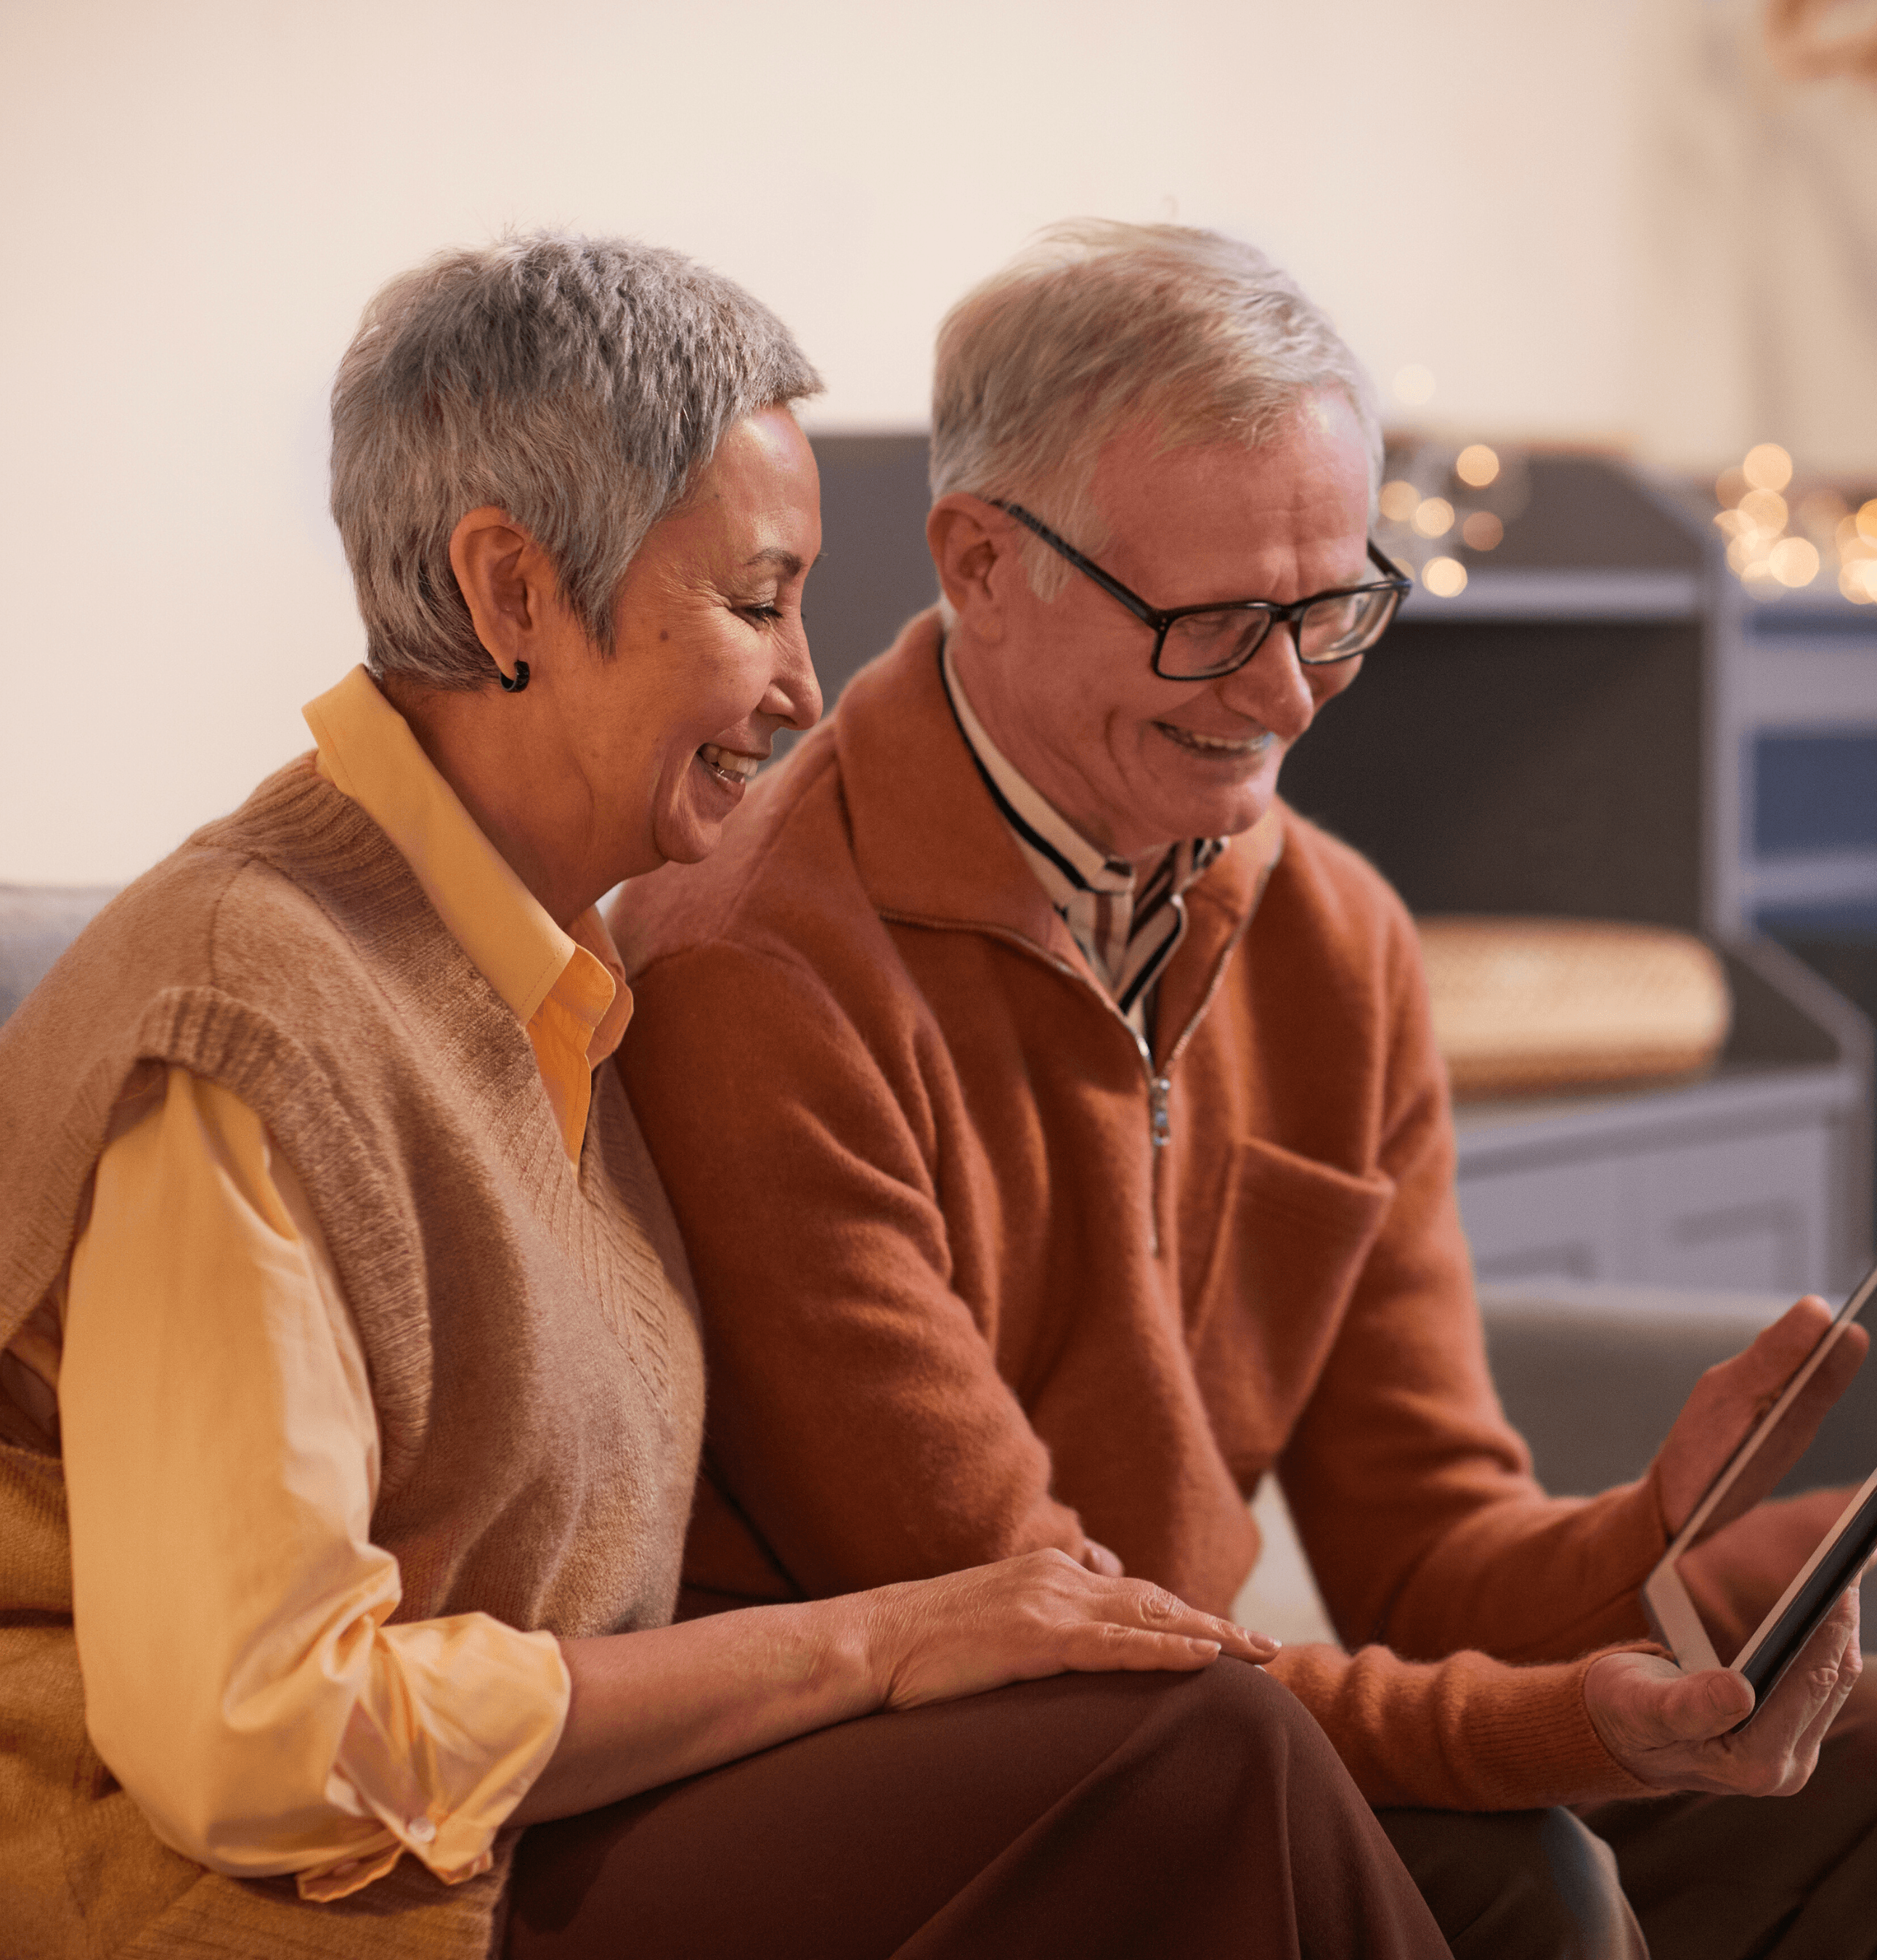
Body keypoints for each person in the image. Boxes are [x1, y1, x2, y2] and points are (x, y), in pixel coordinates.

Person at [0, 233, 1451, 1959]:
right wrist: (869, 1646)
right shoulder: (245, 1018)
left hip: (541, 1834)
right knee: (1202, 1764)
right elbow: (257, 1743)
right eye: (756, 602)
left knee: (1364, 1833)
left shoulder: (537, 973)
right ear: (512, 595)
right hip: (302, 1909)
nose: (800, 684)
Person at [610, 220, 1877, 1959]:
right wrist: (1564, 1728)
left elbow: (1425, 1547)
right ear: (981, 562)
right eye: (1216, 621)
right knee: (1517, 1880)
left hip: (1210, 1719)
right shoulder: (759, 980)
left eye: (1333, 608)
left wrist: (1666, 1555)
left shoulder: (1333, 935)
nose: (1285, 695)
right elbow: (1068, 1645)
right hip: (942, 1784)